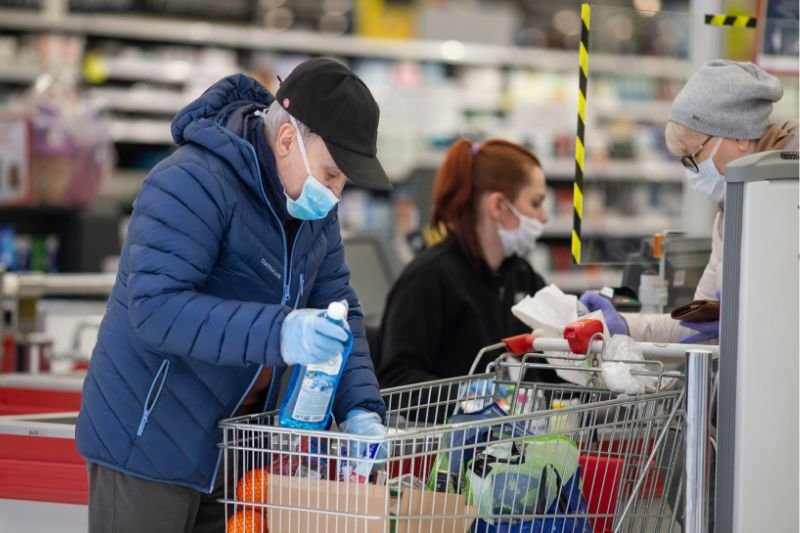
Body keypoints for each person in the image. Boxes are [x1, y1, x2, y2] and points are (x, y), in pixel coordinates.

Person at [76, 58, 390, 532]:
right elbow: (156, 309)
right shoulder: (191, 181)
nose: (336, 193)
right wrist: (281, 332)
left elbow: (339, 308)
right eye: (331, 174)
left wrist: (361, 408)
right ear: (288, 141)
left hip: (237, 451)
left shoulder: (312, 212)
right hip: (148, 442)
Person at [581, 60, 797, 344]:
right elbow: (697, 324)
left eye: (693, 155)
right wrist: (624, 326)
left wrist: (752, 320)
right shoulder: (730, 212)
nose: (692, 170)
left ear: (739, 136)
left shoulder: (789, 190)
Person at [377, 139, 560, 389]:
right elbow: (396, 378)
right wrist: (470, 399)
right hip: (445, 427)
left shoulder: (521, 276)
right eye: (536, 203)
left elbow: (552, 369)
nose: (544, 217)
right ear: (497, 205)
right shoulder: (429, 278)